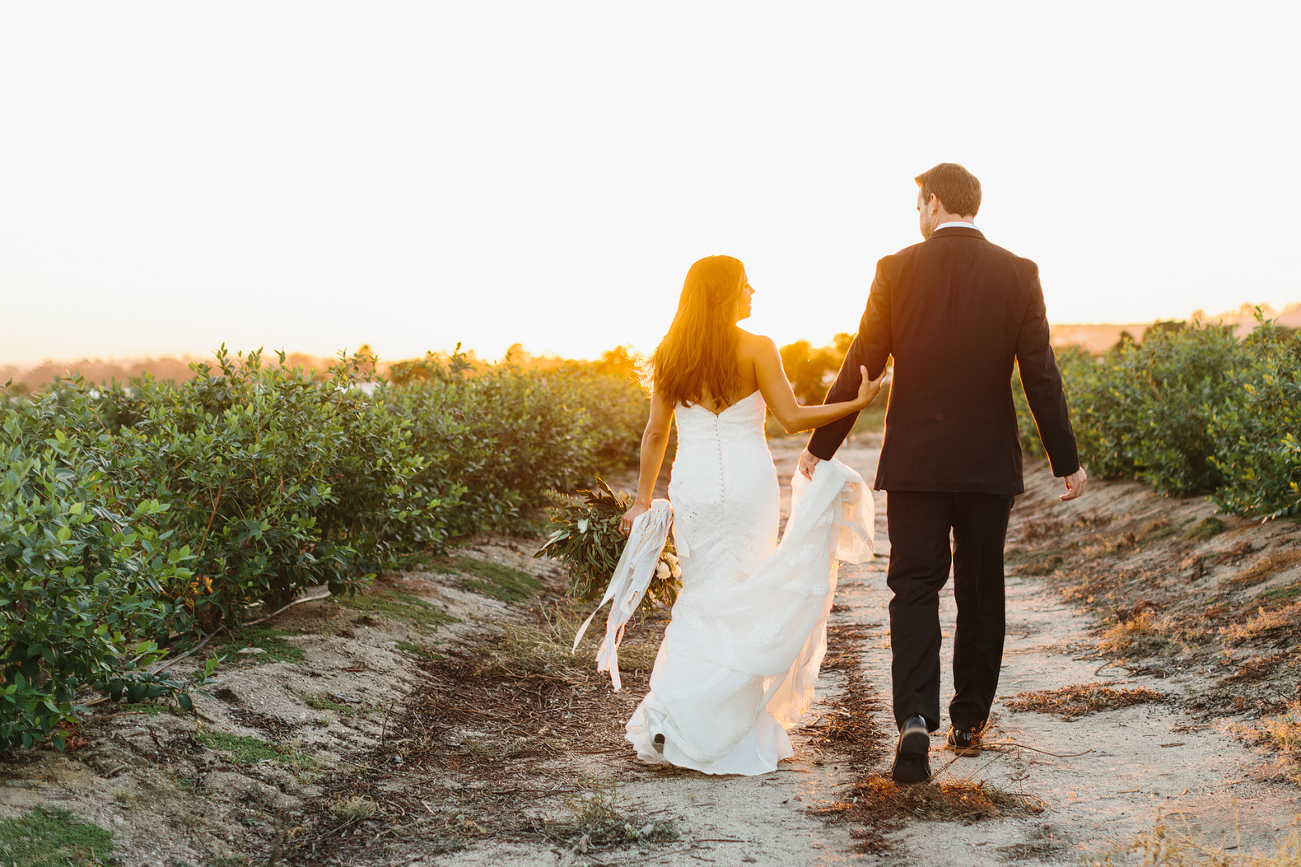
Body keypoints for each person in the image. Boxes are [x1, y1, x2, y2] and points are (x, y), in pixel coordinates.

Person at [798, 163, 1087, 784]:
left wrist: (822, 445)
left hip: (916, 464)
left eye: (917, 204)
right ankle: (969, 720)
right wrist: (1066, 460)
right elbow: (1040, 371)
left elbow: (862, 363)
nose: (917, 215)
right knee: (981, 589)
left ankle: (915, 719)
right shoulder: (1019, 272)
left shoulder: (895, 270)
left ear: (932, 203)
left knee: (914, 586)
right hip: (987, 466)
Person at [615, 254, 883, 775]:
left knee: (704, 594)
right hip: (749, 487)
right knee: (746, 595)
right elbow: (791, 418)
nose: (752, 291)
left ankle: (686, 720)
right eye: (744, 284)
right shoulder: (758, 347)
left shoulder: (670, 353)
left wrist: (644, 500)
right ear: (723, 294)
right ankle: (733, 727)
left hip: (693, 487)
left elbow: (655, 433)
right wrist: (856, 404)